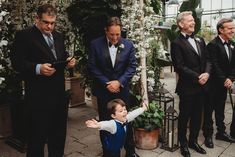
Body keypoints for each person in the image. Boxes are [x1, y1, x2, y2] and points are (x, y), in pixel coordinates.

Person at [11, 4, 76, 157]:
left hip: (59, 97)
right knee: (36, 140)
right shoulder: (24, 35)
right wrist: (38, 68)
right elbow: (17, 62)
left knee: (58, 138)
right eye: (46, 22)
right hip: (37, 99)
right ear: (37, 19)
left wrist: (68, 60)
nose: (49, 26)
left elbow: (60, 56)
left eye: (53, 23)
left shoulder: (59, 36)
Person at [88, 16, 138, 157]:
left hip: (122, 90)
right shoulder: (95, 44)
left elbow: (132, 66)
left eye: (118, 34)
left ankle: (130, 151)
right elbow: (92, 66)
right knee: (105, 122)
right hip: (104, 91)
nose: (115, 38)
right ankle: (108, 152)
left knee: (126, 120)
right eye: (112, 34)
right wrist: (106, 83)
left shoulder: (128, 45)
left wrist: (119, 82)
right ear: (106, 31)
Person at [170, 11, 211, 157]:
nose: (193, 22)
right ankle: (183, 143)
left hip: (202, 86)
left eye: (193, 20)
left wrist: (206, 73)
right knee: (185, 116)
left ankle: (193, 141)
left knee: (197, 116)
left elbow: (208, 59)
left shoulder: (200, 40)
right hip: (187, 87)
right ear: (181, 24)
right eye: (190, 20)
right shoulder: (176, 43)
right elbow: (179, 66)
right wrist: (198, 76)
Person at [203, 18, 235, 148]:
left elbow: (234, 65)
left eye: (233, 28)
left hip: (224, 84)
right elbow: (214, 65)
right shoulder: (212, 44)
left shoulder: (232, 44)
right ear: (221, 30)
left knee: (221, 110)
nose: (233, 30)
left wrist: (231, 78)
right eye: (230, 28)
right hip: (213, 85)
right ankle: (208, 135)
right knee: (209, 110)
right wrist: (224, 79)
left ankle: (221, 133)